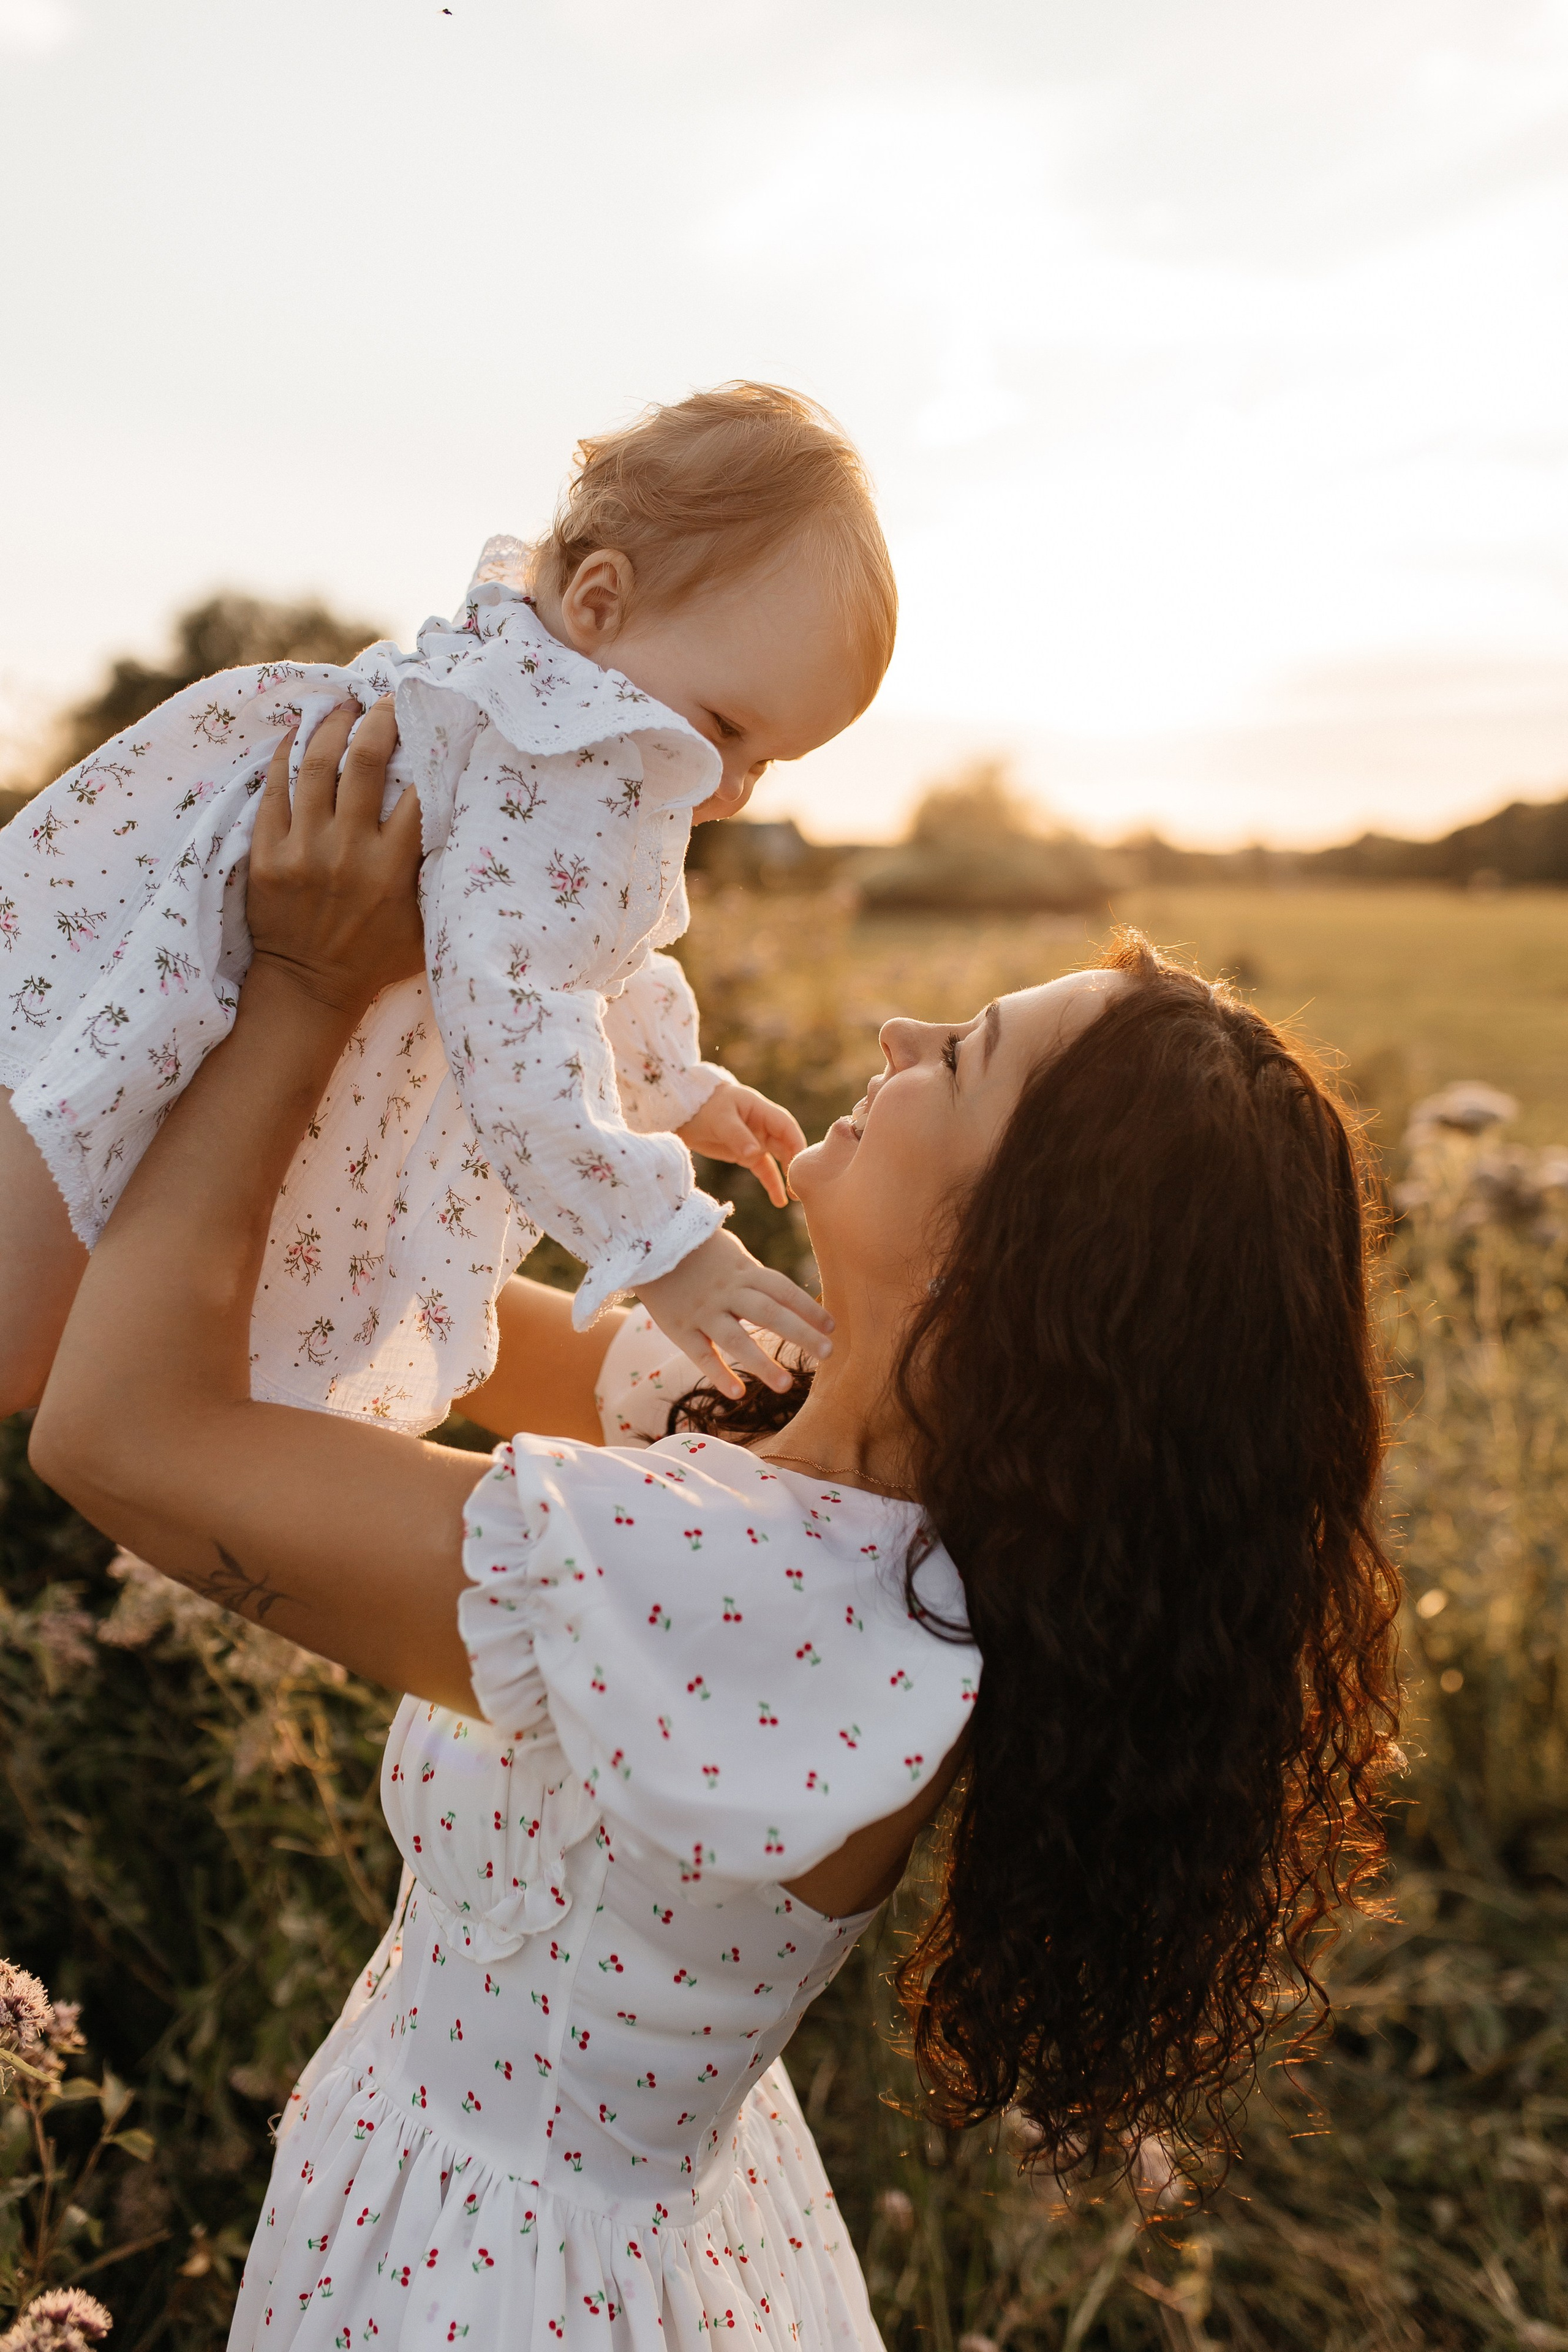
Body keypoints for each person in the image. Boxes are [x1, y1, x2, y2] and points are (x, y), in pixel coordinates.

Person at [29, 713, 1400, 2352]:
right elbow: (367, 1309)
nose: (895, 1030)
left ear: (1016, 1267)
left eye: (957, 1054)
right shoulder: (807, 1438)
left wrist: (310, 991)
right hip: (521, 2211)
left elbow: (121, 1436)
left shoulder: (745, 1590)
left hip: (493, 2287)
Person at [0, 382, 895, 1428]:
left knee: (62, 1309)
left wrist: (675, 1082)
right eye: (726, 727)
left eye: (767, 761)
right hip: (193, 978)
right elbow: (519, 997)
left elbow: (582, 950)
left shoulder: (527, 700)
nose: (731, 788)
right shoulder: (564, 751)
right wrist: (662, 1243)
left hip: (145, 969)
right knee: (31, 1338)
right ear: (600, 603)